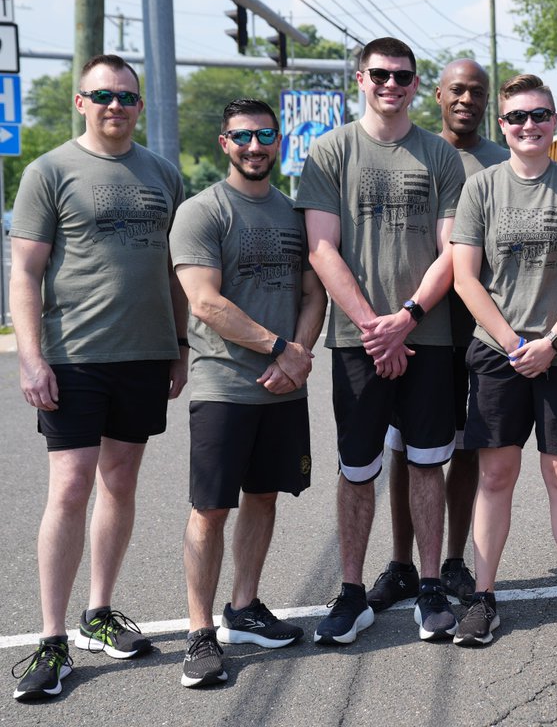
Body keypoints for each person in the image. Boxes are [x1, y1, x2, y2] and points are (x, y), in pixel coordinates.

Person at [9, 54, 188, 701]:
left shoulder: (164, 174)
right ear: (81, 102)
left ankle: (99, 614)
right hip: (73, 355)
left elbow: (176, 269)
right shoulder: (49, 170)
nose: (117, 105)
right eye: (104, 95)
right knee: (71, 486)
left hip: (143, 355)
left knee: (119, 481)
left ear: (141, 106)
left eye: (128, 97)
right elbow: (25, 273)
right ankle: (52, 638)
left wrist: (180, 343)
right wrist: (32, 357)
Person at [295, 37, 465, 645]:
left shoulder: (440, 157)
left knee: (425, 463)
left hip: (428, 335)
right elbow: (320, 247)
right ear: (360, 80)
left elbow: (452, 251)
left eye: (403, 75)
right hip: (356, 342)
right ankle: (350, 593)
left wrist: (408, 317)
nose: (392, 84)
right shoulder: (330, 151)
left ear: (417, 84)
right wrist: (374, 325)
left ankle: (430, 588)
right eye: (381, 75)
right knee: (358, 467)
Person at [171, 99, 327, 688]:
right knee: (210, 509)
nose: (255, 146)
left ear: (280, 140)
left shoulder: (294, 214)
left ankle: (244, 608)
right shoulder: (201, 211)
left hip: (283, 387)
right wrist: (277, 348)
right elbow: (204, 302)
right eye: (243, 136)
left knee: (264, 496)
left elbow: (314, 294)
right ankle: (199, 633)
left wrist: (300, 354)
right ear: (224, 142)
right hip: (224, 386)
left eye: (265, 135)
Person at [449, 73, 557, 647]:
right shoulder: (482, 189)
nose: (528, 126)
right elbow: (466, 279)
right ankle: (483, 597)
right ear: (502, 126)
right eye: (516, 117)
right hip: (498, 352)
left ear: (554, 121)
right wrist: (516, 345)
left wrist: (554, 343)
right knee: (495, 473)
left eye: (539, 115)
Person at [374, 58, 509, 609]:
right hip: (421, 327)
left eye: (476, 92)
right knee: (408, 448)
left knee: (467, 448)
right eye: (457, 90)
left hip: (479, 330)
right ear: (437, 94)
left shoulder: (504, 161)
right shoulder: (419, 151)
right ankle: (403, 563)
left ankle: (453, 560)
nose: (466, 100)